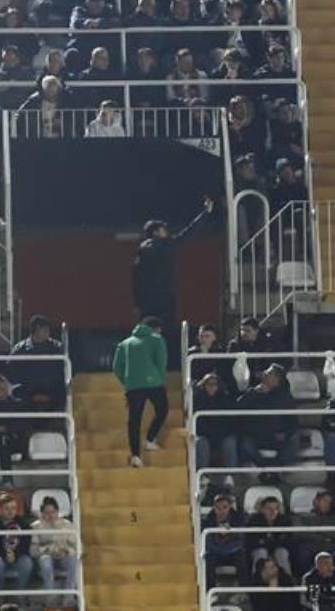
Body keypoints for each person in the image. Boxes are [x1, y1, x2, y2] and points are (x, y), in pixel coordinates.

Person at [132, 196, 214, 346]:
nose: (167, 232)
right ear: (156, 232)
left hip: (146, 299)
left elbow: (136, 278)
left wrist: (137, 303)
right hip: (165, 295)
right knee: (165, 330)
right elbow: (188, 233)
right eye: (163, 230)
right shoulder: (166, 245)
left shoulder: (142, 249)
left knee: (146, 329)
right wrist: (205, 214)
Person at [112, 317, 169, 468]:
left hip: (133, 386)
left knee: (134, 421)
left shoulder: (125, 343)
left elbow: (116, 367)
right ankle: (150, 439)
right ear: (156, 328)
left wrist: (127, 382)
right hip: (154, 383)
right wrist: (159, 377)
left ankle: (135, 456)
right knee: (162, 410)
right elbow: (161, 361)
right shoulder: (157, 339)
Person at [237, 363, 298, 467]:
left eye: (269, 373)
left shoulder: (285, 397)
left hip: (276, 436)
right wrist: (253, 393)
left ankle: (275, 469)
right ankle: (264, 467)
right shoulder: (254, 391)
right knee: (245, 445)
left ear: (277, 380)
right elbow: (238, 407)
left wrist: (285, 433)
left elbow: (293, 421)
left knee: (293, 441)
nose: (264, 373)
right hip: (255, 435)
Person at [7, 316, 67, 412]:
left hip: (51, 387)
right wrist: (27, 380)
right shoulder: (20, 349)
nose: (48, 332)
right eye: (45, 329)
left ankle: (58, 423)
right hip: (28, 388)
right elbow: (10, 372)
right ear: (37, 328)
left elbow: (63, 368)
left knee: (64, 393)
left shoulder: (57, 347)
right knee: (15, 394)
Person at [0, 492, 33, 590]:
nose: (10, 511)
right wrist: (5, 554)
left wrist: (15, 555)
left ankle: (19, 594)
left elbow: (26, 546)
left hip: (17, 558)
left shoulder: (23, 525)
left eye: (13, 508)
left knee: (27, 562)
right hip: (1, 558)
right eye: (7, 508)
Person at [30, 495, 76, 597]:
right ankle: (50, 600)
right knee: (45, 560)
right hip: (46, 557)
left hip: (63, 556)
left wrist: (67, 549)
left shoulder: (67, 524)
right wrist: (48, 549)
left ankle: (69, 599)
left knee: (73, 558)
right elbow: (33, 550)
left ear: (57, 512)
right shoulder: (35, 526)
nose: (50, 515)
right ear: (42, 513)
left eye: (53, 512)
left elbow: (77, 545)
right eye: (47, 513)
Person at [193, 372, 239, 470]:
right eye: (209, 384)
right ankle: (202, 475)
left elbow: (230, 421)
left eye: (214, 384)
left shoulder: (225, 400)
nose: (212, 387)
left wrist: (220, 433)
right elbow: (197, 423)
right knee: (201, 442)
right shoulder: (197, 400)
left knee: (230, 441)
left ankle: (230, 475)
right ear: (204, 385)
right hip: (204, 435)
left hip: (221, 434)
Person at [202, 493, 247, 589]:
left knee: (243, 559)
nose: (221, 511)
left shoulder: (238, 519)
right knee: (208, 559)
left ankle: (244, 591)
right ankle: (211, 591)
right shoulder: (208, 520)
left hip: (234, 552)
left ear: (230, 507)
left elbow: (241, 540)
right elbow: (208, 543)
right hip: (215, 552)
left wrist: (231, 533)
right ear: (214, 508)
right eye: (218, 508)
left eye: (225, 507)